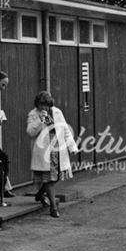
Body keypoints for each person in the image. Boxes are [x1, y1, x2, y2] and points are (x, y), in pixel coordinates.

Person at [26, 90, 77, 219]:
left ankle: (40, 194)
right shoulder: (33, 114)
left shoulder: (57, 112)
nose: (44, 108)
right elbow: (30, 132)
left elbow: (64, 129)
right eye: (41, 105)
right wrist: (40, 120)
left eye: (46, 105)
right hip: (44, 151)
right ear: (37, 104)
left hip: (58, 149)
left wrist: (72, 146)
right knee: (49, 179)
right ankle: (53, 207)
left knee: (57, 177)